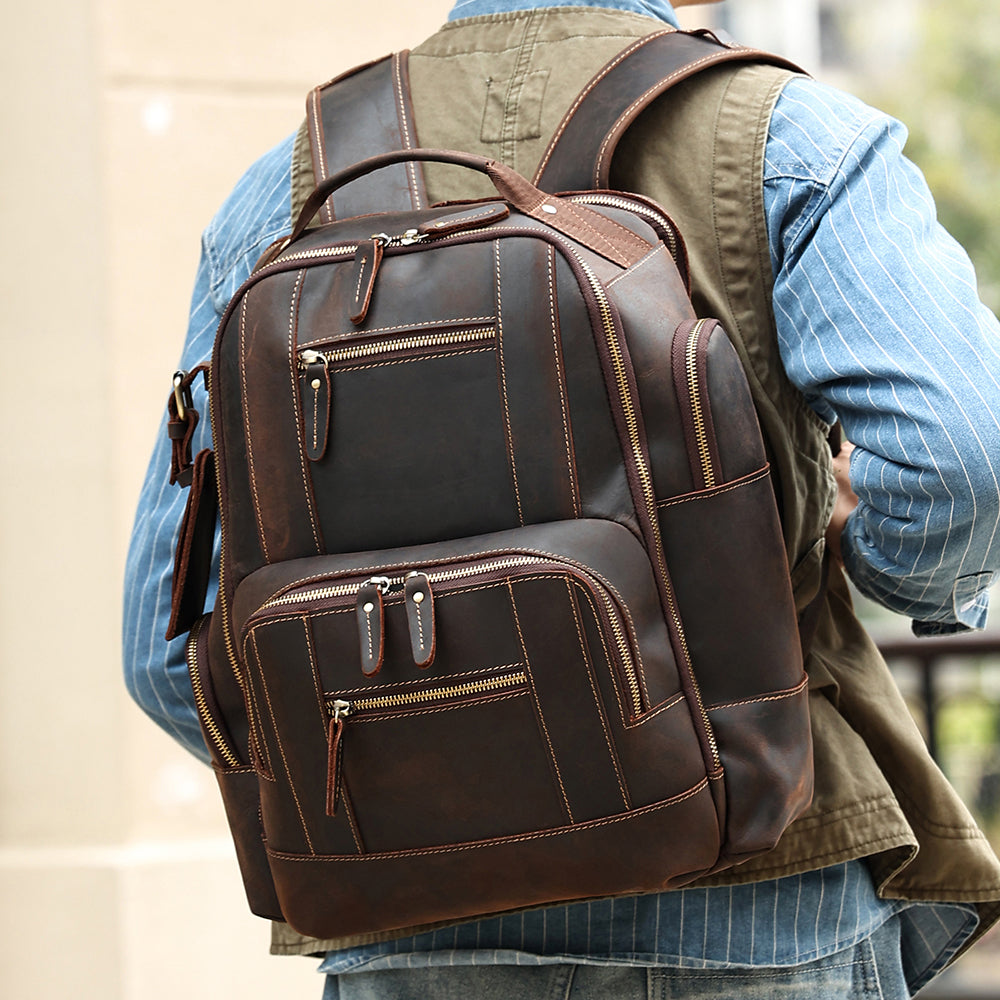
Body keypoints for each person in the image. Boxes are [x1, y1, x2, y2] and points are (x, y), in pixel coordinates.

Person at [123, 0, 1000, 996]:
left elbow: (163, 655)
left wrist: (417, 775)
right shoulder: (785, 139)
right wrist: (872, 565)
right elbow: (963, 464)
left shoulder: (279, 194)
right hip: (752, 884)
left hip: (412, 926)